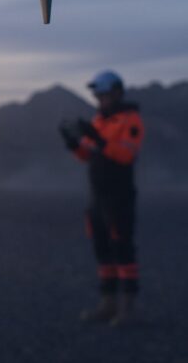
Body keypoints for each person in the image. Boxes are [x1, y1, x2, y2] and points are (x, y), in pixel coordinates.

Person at [59, 70, 145, 326]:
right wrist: (73, 143)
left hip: (119, 197)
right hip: (98, 196)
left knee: (122, 249)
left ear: (117, 93)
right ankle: (108, 305)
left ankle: (127, 309)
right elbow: (89, 156)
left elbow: (124, 155)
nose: (99, 100)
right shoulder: (101, 121)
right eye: (97, 96)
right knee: (103, 250)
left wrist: (97, 138)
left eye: (103, 95)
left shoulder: (130, 121)